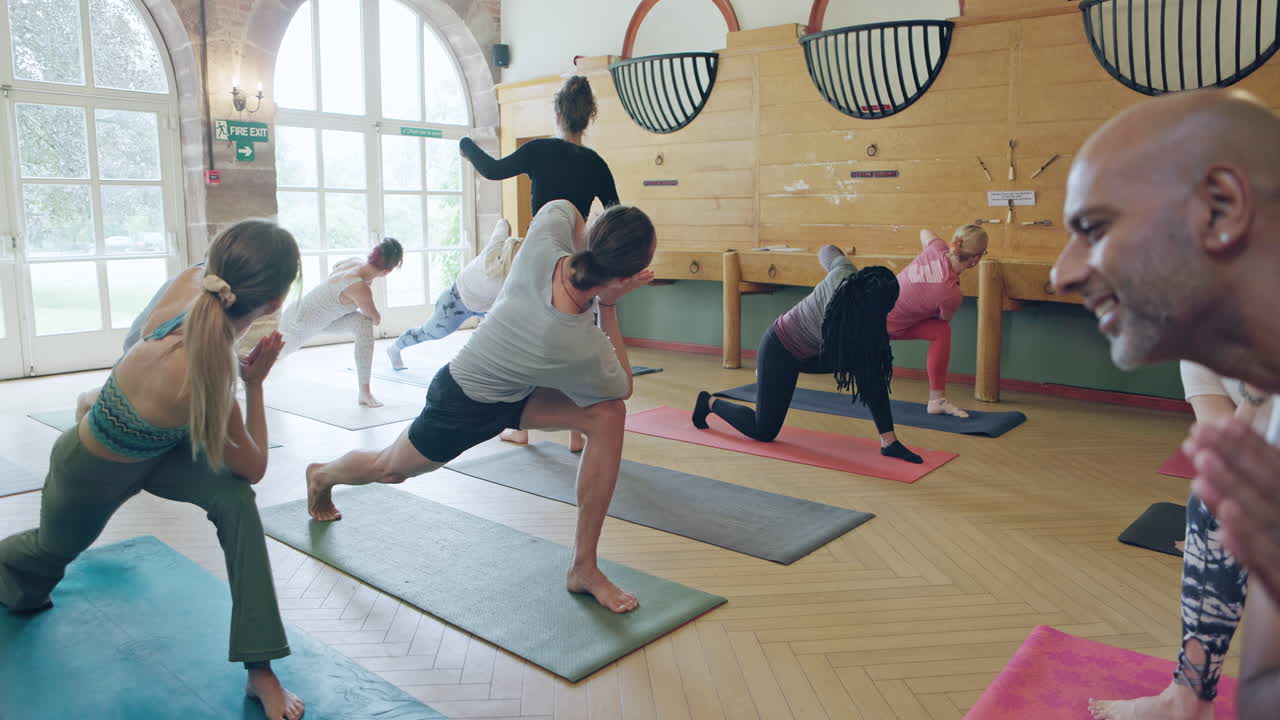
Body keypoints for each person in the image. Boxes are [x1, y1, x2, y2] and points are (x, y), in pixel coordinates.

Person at [0, 220, 305, 720]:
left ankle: (260, 667)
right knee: (44, 559)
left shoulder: (193, 282)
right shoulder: (209, 374)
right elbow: (255, 465)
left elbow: (140, 342)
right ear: (275, 303)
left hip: (161, 450)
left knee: (234, 500)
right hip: (90, 470)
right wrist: (254, 385)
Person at [1049, 88, 1280, 720]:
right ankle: (1188, 697)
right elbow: (1228, 449)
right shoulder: (1207, 329)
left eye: (1096, 228)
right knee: (1214, 499)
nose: (1063, 273)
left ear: (1221, 207)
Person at [304, 200, 656, 614]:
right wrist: (609, 305)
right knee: (390, 469)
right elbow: (623, 385)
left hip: (517, 393)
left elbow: (563, 208)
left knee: (608, 417)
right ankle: (322, 475)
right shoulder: (572, 341)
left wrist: (590, 266)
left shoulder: (545, 243)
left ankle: (583, 567)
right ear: (626, 278)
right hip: (463, 400)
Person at [460, 75, 618, 449]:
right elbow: (615, 212)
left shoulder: (539, 150)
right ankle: (577, 432)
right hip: (575, 262)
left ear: (557, 113)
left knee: (527, 338)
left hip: (539, 259)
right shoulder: (596, 163)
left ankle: (520, 428)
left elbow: (492, 170)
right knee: (573, 341)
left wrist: (466, 146)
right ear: (588, 117)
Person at [691, 245, 924, 464]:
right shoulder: (838, 320)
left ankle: (889, 442)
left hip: (811, 351)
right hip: (780, 349)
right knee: (763, 431)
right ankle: (708, 402)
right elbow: (847, 351)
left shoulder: (846, 272)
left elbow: (827, 250)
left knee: (870, 364)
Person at [277, 237, 403, 408]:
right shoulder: (359, 287)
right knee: (263, 358)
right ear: (388, 270)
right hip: (299, 324)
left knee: (362, 324)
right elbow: (375, 319)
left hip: (318, 319)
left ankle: (364, 393)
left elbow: (335, 268)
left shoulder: (354, 262)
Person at [886, 225, 988, 418]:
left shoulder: (937, 248)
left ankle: (937, 401)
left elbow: (924, 231)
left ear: (955, 243)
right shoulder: (950, 294)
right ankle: (937, 399)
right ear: (976, 259)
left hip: (873, 312)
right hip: (883, 326)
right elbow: (943, 319)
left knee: (940, 329)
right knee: (941, 330)